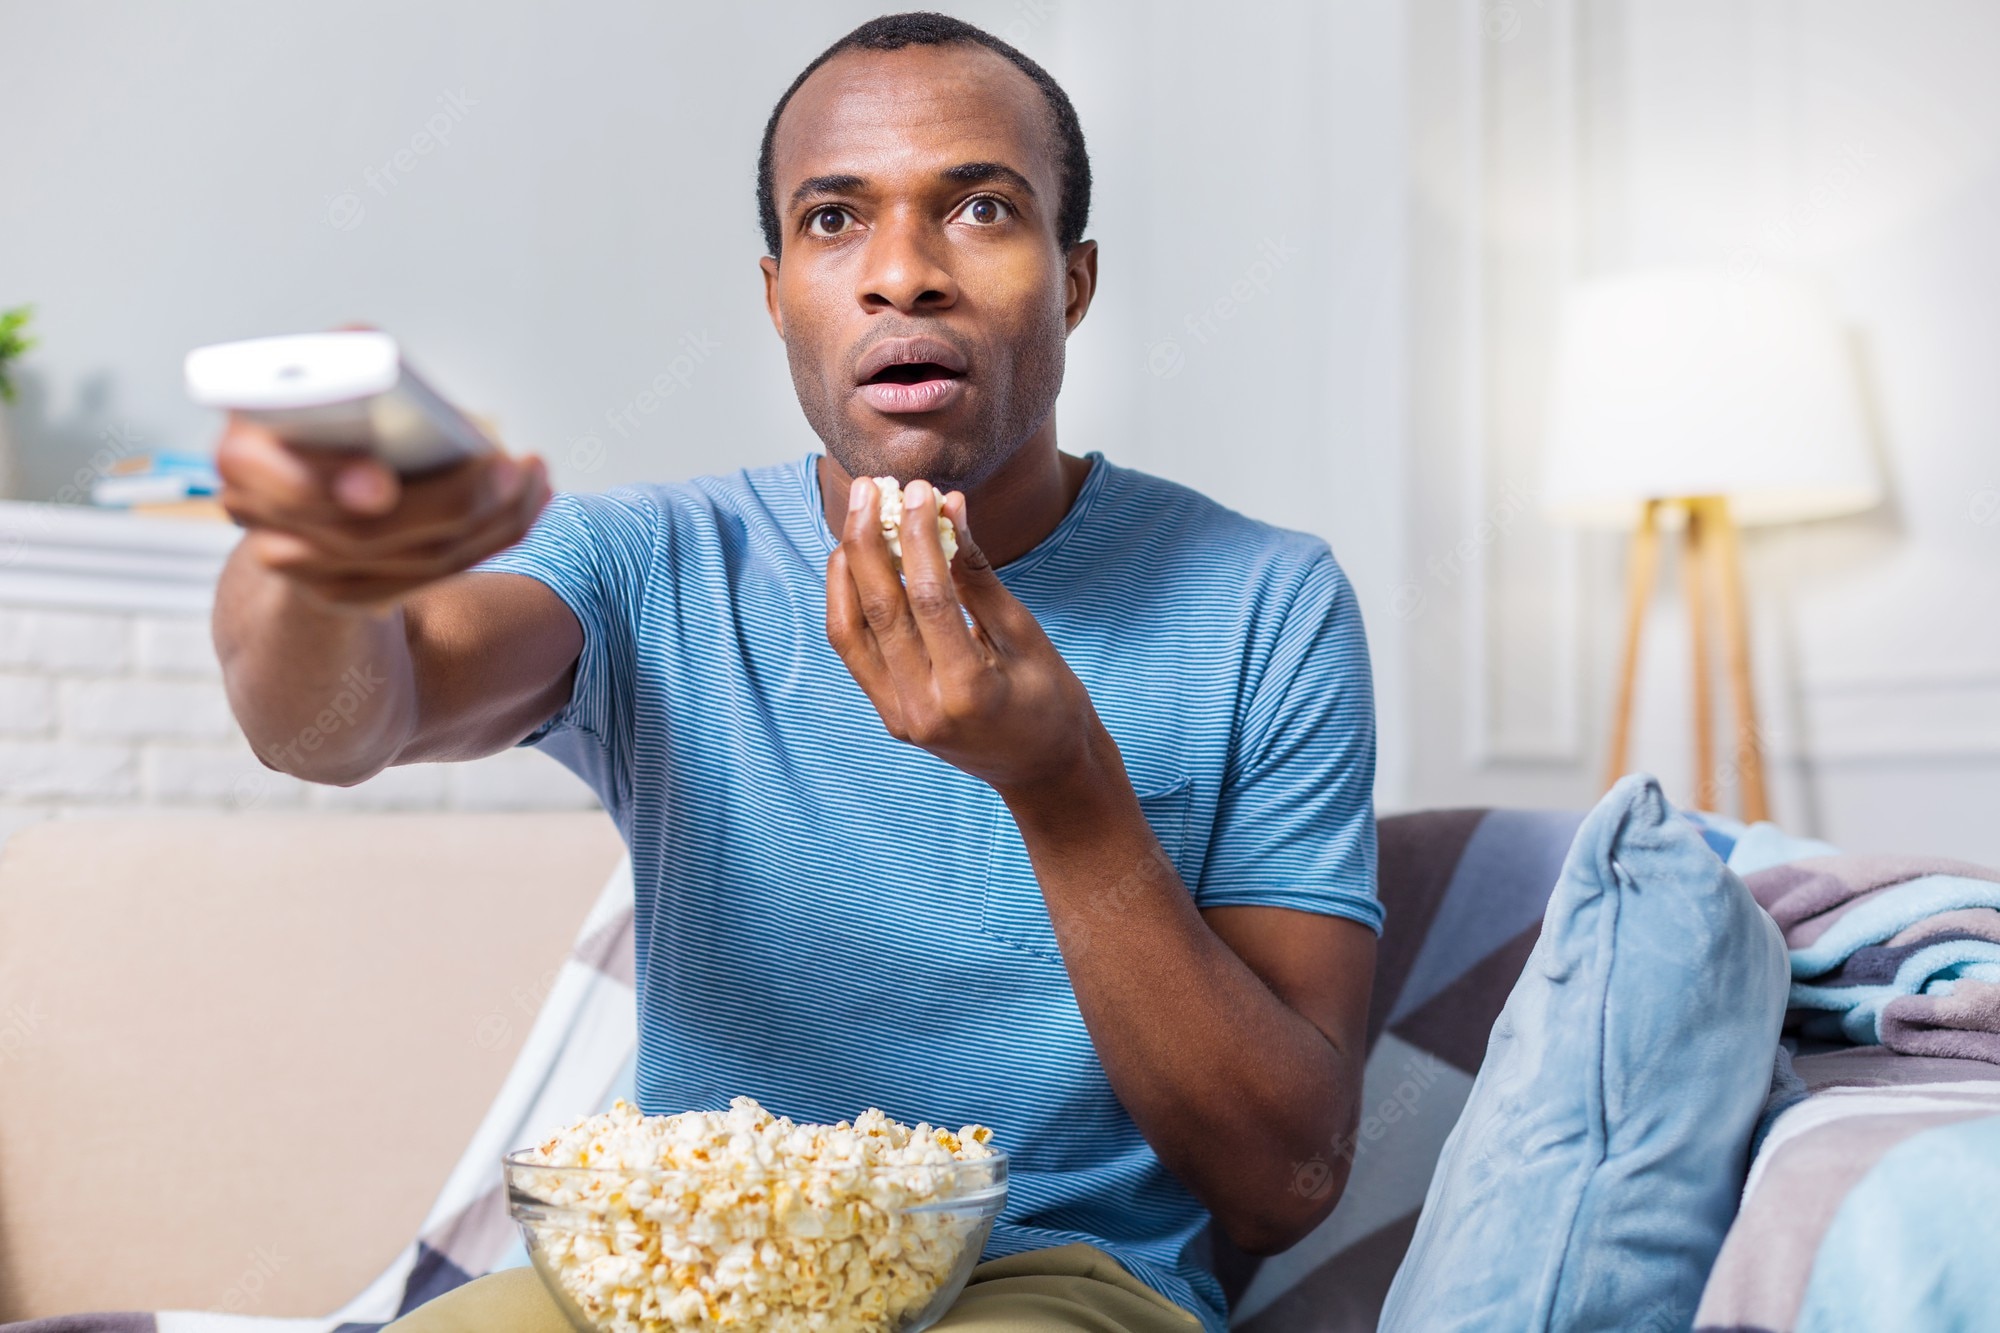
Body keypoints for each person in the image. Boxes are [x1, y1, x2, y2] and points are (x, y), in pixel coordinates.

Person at [211, 12, 1380, 1332]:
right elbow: (337, 723)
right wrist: (311, 560)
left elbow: (1284, 1179)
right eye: (833, 221)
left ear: (1075, 278)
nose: (902, 273)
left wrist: (1061, 785)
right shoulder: (650, 560)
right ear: (776, 292)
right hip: (676, 1262)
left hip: (1053, 1274)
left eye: (982, 209)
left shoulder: (1265, 600)